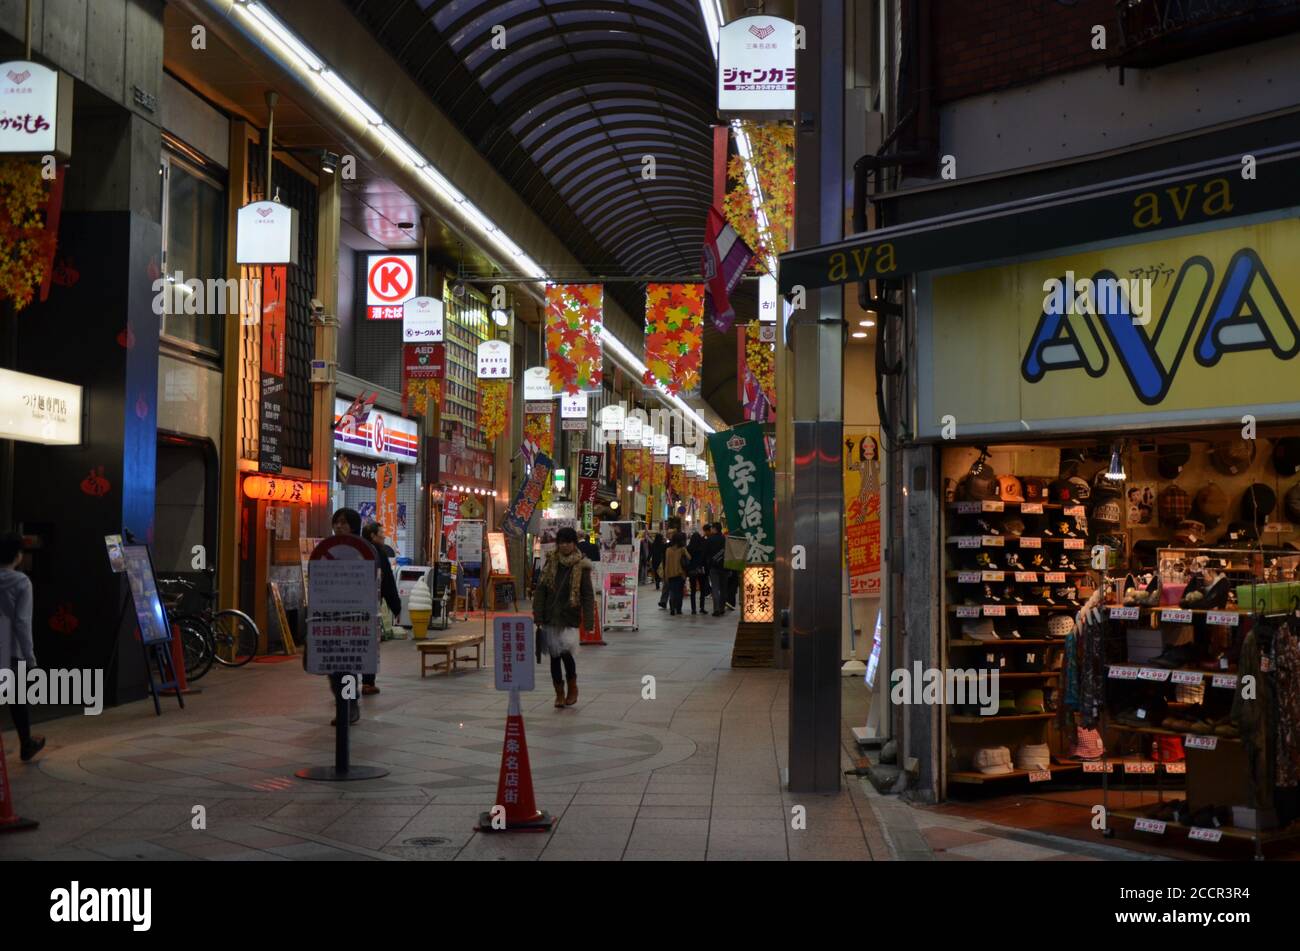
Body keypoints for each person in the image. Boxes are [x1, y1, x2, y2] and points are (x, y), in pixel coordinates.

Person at [327, 508, 401, 724]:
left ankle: (349, 704)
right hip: (331, 616)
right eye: (336, 522)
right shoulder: (329, 548)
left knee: (347, 664)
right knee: (333, 666)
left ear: (354, 525)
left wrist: (395, 606)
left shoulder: (368, 549)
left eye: (344, 522)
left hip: (360, 615)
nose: (339, 526)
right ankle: (346, 701)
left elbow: (385, 580)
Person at [533, 526, 595, 708]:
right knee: (554, 656)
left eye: (568, 542)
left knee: (566, 654)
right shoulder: (551, 562)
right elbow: (541, 590)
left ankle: (572, 687)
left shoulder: (581, 565)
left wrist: (589, 621)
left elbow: (587, 595)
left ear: (574, 543)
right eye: (561, 542)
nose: (565, 546)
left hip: (569, 615)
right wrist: (538, 613)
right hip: (551, 615)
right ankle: (559, 693)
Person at [0, 533, 42, 761]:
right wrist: (31, 658)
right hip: (11, 651)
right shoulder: (21, 582)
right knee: (17, 700)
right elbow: (22, 622)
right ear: (17, 556)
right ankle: (26, 743)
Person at [662, 532, 689, 615]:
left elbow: (666, 563)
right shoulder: (682, 549)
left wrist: (665, 575)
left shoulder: (668, 550)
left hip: (670, 574)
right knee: (679, 592)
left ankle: (672, 608)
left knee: (672, 592)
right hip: (680, 574)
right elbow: (689, 558)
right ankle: (679, 609)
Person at [706, 522, 728, 616]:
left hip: (713, 566)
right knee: (723, 588)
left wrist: (708, 564)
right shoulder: (724, 539)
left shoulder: (710, 539)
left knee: (715, 588)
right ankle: (722, 608)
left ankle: (716, 609)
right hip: (724, 566)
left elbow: (706, 553)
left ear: (714, 529)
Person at [686, 525, 710, 615]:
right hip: (701, 570)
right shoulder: (703, 546)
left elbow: (687, 559)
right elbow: (706, 558)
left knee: (693, 590)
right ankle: (702, 607)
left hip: (692, 570)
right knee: (702, 589)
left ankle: (693, 609)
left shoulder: (689, 548)